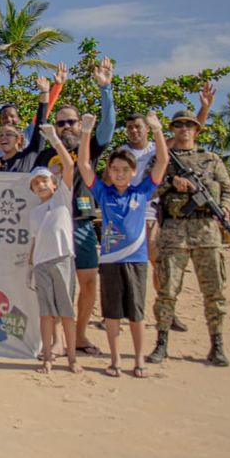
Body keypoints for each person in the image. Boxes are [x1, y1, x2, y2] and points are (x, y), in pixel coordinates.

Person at [32, 57, 117, 355]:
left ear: (81, 125)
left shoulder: (89, 148)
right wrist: (54, 90)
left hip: (81, 223)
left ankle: (79, 336)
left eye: (72, 121)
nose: (67, 126)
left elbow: (108, 126)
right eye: (62, 122)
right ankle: (54, 340)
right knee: (59, 285)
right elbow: (37, 126)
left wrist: (105, 90)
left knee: (88, 282)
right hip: (51, 226)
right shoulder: (44, 153)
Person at [78, 112, 168, 378]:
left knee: (137, 315)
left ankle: (139, 360)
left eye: (124, 170)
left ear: (133, 172)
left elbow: (162, 161)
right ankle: (115, 360)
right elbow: (84, 164)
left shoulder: (141, 191)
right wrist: (86, 132)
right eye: (114, 169)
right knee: (112, 316)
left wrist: (158, 131)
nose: (119, 173)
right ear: (109, 171)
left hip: (137, 261)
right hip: (109, 262)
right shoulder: (102, 193)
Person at [123, 84, 215, 333]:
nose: (133, 131)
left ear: (146, 129)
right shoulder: (121, 153)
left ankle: (168, 311)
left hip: (152, 212)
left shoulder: (158, 148)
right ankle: (125, 311)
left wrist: (204, 108)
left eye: (138, 127)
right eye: (130, 127)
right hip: (127, 214)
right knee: (127, 263)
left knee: (158, 263)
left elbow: (189, 133)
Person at [149, 109, 230, 367]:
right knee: (167, 290)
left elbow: (229, 191)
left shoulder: (212, 159)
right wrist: (170, 182)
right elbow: (150, 187)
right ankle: (161, 343)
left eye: (189, 125)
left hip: (207, 231)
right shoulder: (164, 160)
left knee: (214, 291)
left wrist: (226, 207)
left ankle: (217, 345)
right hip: (175, 231)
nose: (184, 129)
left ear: (197, 130)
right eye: (179, 125)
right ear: (173, 129)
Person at [28, 125, 81, 374]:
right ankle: (47, 357)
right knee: (46, 314)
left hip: (63, 260)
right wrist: (31, 266)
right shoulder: (35, 212)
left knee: (67, 313)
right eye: (36, 183)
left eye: (44, 180)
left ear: (54, 183)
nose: (40, 185)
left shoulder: (62, 198)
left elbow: (70, 166)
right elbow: (34, 241)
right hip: (41, 264)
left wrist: (54, 139)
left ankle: (72, 359)